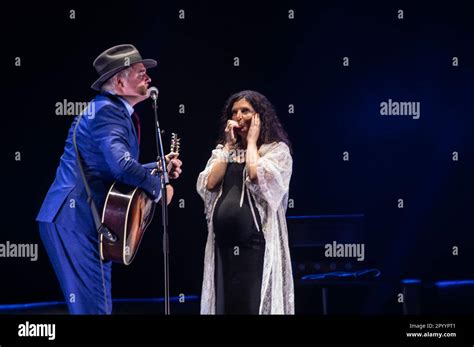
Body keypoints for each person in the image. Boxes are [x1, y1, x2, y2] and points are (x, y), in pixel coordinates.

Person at [36, 44, 182, 314]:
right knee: (94, 309)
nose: (148, 78)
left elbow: (108, 165)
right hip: (75, 219)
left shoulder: (107, 109)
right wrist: (159, 189)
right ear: (118, 81)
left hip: (80, 220)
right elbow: (122, 167)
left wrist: (156, 168)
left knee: (96, 306)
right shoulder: (107, 111)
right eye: (140, 73)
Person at [197, 90, 294, 314]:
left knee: (250, 305)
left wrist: (251, 141)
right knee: (227, 305)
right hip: (223, 245)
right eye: (234, 112)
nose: (238, 116)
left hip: (254, 244)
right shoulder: (226, 151)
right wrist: (229, 147)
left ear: (259, 116)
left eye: (245, 111)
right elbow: (210, 183)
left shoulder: (275, 151)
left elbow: (254, 174)